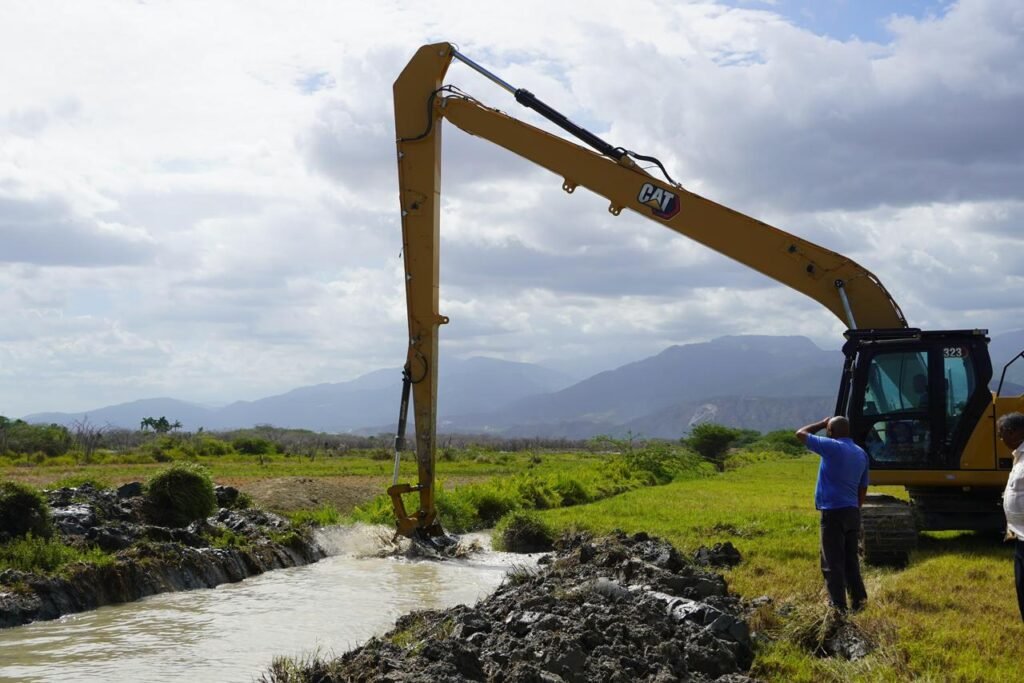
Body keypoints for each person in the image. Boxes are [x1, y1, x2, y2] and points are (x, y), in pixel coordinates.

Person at [796, 415, 869, 613]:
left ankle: (838, 607)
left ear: (830, 432)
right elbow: (863, 488)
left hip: (833, 512)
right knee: (850, 561)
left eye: (827, 429)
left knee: (832, 562)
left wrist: (820, 423)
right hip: (852, 512)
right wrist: (856, 509)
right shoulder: (861, 453)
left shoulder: (832, 447)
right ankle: (860, 603)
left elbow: (800, 434)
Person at [997, 412, 1024, 622]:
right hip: (1019, 539)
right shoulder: (1018, 457)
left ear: (1015, 432)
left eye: (1002, 433)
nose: (1000, 438)